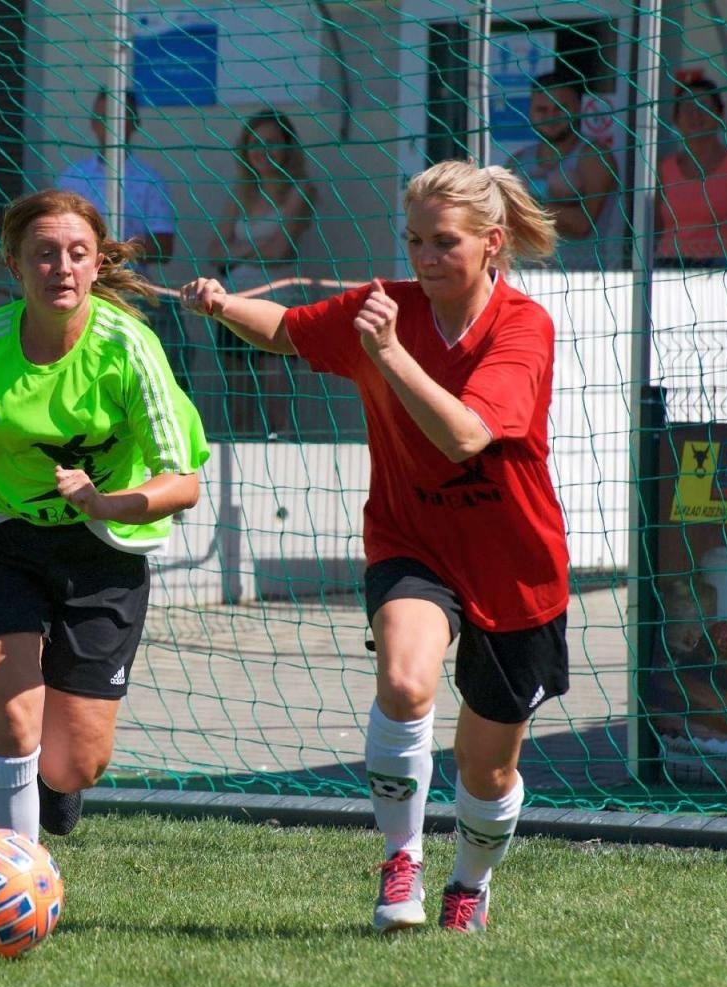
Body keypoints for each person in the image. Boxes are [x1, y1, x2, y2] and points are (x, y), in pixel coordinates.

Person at [182, 160, 569, 933]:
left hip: (515, 567)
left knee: (487, 769)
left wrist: (390, 354)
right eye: (414, 240)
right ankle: (402, 858)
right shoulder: (384, 308)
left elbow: (463, 435)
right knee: (404, 678)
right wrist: (224, 306)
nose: (425, 258)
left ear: (493, 243)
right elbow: (290, 332)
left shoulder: (523, 327)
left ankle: (470, 882)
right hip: (411, 541)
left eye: (444, 242)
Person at [0, 187, 209, 840]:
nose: (62, 268)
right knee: (14, 712)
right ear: (13, 265)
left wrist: (103, 502)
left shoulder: (129, 347)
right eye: (43, 254)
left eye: (77, 253)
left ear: (99, 263)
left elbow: (182, 482)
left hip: (102, 545)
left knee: (77, 762)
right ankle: (13, 869)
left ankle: (54, 784)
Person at [58, 91, 184, 386]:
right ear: (93, 123)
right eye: (105, 117)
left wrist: (105, 251)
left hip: (133, 295)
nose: (112, 125)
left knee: (134, 376)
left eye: (121, 118)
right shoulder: (72, 178)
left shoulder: (148, 178)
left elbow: (164, 246)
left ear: (134, 124)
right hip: (77, 294)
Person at [203, 109, 316, 438]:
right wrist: (258, 246)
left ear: (288, 147)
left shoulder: (301, 190)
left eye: (271, 143)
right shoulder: (241, 192)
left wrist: (236, 251)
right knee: (238, 402)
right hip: (234, 304)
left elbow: (281, 250)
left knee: (277, 403)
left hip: (278, 306)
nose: (262, 151)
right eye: (254, 143)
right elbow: (213, 252)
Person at [507, 70, 623, 270]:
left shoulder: (594, 157)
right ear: (530, 112)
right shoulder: (517, 161)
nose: (551, 116)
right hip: (527, 281)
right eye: (542, 109)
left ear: (578, 108)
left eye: (560, 108)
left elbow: (581, 225)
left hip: (586, 281)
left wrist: (522, 203)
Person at [656, 72, 727, 267]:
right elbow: (652, 229)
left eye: (704, 106)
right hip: (668, 268)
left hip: (720, 268)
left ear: (720, 114)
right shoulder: (661, 169)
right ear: (676, 118)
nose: (695, 115)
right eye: (687, 108)